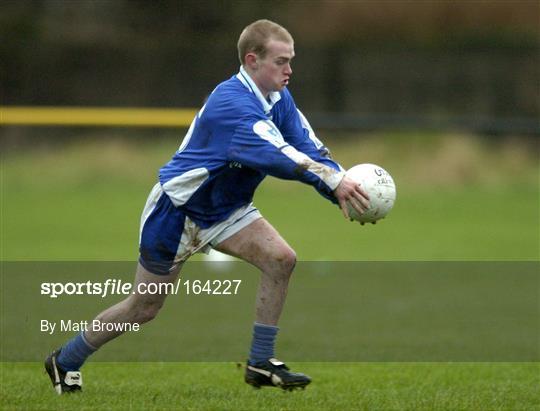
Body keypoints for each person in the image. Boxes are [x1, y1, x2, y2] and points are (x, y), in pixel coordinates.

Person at [45, 19, 369, 393]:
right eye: (281, 61)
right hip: (177, 212)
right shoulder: (231, 104)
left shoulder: (280, 100)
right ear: (252, 61)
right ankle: (65, 359)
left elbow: (309, 147)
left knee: (281, 258)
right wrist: (334, 182)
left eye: (291, 60)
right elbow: (278, 155)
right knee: (143, 307)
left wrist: (343, 188)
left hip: (227, 211)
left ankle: (261, 363)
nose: (289, 70)